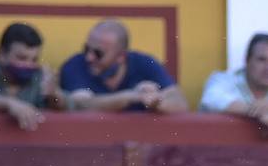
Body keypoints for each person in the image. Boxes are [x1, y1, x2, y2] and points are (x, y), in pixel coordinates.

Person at [59, 19, 189, 113]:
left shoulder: (144, 63)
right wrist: (132, 97)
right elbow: (81, 104)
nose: (89, 57)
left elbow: (179, 102)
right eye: (87, 49)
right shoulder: (75, 65)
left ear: (121, 56)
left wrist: (156, 101)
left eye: (98, 53)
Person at [200, 32, 268, 139]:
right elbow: (211, 99)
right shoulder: (223, 79)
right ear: (247, 60)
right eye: (261, 60)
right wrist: (259, 112)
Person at [0, 22, 62, 132]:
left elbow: (69, 105)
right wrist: (9, 103)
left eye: (34, 60)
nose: (28, 65)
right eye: (21, 58)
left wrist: (54, 96)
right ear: (2, 54)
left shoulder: (39, 76)